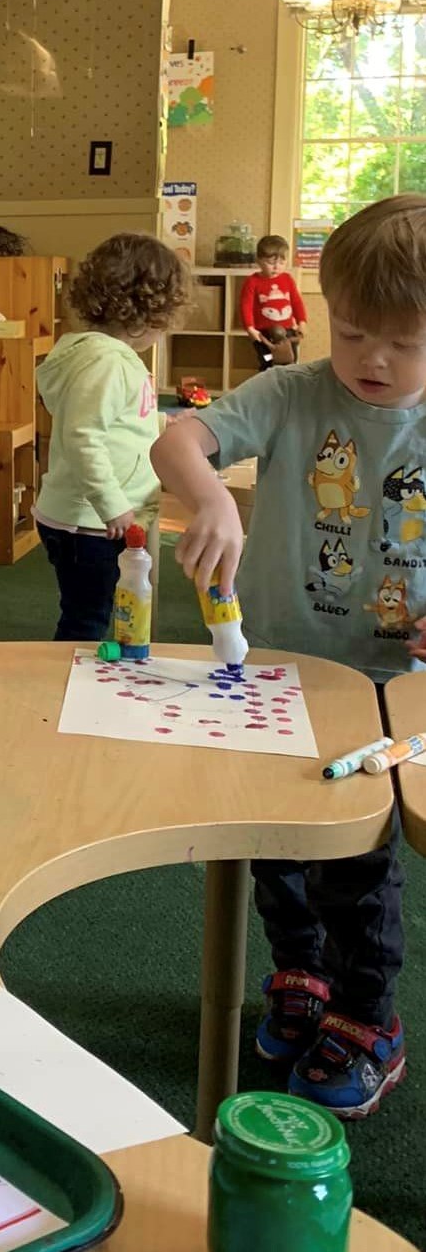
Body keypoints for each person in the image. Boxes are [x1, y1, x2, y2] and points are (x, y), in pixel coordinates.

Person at [151, 193, 426, 1118]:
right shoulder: (292, 393)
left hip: (385, 689)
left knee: (354, 863)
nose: (371, 360)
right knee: (270, 846)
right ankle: (299, 973)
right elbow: (179, 436)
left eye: (402, 342)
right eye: (350, 333)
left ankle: (368, 1017)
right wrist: (211, 498)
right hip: (273, 670)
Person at [34, 234, 187, 642]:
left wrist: (161, 424)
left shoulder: (103, 357)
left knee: (98, 610)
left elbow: (119, 420)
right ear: (148, 312)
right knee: (87, 619)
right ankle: (68, 688)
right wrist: (113, 505)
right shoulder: (105, 363)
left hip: (90, 521)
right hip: (90, 525)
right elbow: (82, 435)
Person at [241, 234, 307, 369]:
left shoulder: (287, 279)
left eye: (281, 263)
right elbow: (245, 306)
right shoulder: (252, 282)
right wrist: (250, 328)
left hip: (288, 332)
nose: (276, 267)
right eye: (271, 263)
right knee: (267, 360)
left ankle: (288, 385)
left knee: (290, 361)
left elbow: (296, 302)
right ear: (258, 260)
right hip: (263, 334)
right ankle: (267, 382)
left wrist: (302, 322)